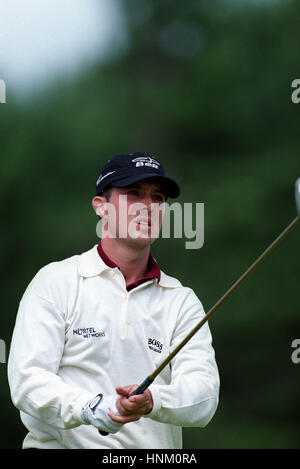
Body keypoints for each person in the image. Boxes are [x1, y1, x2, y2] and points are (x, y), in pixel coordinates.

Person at [8, 152, 219, 449]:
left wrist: (152, 401)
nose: (148, 207)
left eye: (157, 198)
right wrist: (90, 407)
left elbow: (204, 397)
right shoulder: (55, 281)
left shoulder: (182, 301)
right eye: (134, 194)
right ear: (101, 208)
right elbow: (27, 382)